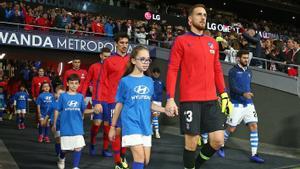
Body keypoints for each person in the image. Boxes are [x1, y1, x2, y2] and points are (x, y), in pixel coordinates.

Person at [165, 4, 233, 169]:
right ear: (190, 20)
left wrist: (223, 94)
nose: (203, 17)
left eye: (204, 15)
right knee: (191, 143)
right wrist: (170, 98)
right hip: (191, 100)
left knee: (217, 141)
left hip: (211, 100)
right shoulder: (181, 41)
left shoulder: (212, 43)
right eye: (199, 14)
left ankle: (195, 165)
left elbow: (217, 69)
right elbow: (173, 70)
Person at [109, 46, 166, 169]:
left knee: (145, 161)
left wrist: (164, 109)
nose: (146, 63)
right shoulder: (125, 81)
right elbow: (119, 105)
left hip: (145, 124)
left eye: (148, 60)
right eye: (142, 59)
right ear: (133, 60)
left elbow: (149, 103)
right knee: (139, 158)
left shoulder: (149, 81)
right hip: (130, 123)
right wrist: (113, 127)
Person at [218, 50, 264, 163]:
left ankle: (254, 154)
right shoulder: (233, 71)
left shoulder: (249, 71)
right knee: (231, 128)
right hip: (236, 104)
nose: (246, 60)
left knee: (254, 126)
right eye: (244, 58)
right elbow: (232, 88)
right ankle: (220, 145)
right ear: (238, 58)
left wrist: (247, 95)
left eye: (247, 58)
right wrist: (243, 93)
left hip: (248, 104)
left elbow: (247, 86)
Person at [98, 32, 130, 169]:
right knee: (116, 131)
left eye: (126, 43)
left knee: (126, 132)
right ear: (116, 44)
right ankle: (117, 162)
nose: (124, 45)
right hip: (113, 101)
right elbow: (101, 81)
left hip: (130, 101)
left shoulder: (132, 60)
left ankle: (122, 157)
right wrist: (99, 101)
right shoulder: (108, 61)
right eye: (122, 43)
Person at [54, 74, 94, 169]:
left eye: (76, 83)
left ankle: (75, 167)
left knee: (78, 147)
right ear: (67, 84)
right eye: (71, 83)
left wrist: (93, 110)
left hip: (77, 126)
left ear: (79, 84)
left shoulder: (80, 97)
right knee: (64, 149)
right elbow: (57, 110)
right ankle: (61, 157)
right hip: (65, 126)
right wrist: (55, 123)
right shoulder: (63, 96)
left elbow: (83, 110)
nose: (74, 85)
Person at [81, 47, 112, 156]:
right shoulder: (94, 67)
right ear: (101, 55)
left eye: (109, 56)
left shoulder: (112, 68)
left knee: (108, 126)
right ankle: (92, 143)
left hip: (109, 100)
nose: (107, 58)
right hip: (97, 99)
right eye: (105, 56)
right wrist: (82, 96)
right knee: (97, 123)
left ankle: (105, 149)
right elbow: (86, 82)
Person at [42, 85, 65, 169]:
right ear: (55, 95)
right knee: (58, 139)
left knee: (63, 141)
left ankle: (61, 154)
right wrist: (45, 120)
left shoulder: (66, 103)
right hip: (55, 124)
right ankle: (59, 155)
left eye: (63, 94)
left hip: (65, 124)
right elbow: (48, 113)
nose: (61, 96)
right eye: (59, 94)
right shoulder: (53, 104)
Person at [151, 67, 165, 139]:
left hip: (159, 101)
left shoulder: (161, 82)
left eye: (157, 73)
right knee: (155, 116)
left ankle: (150, 129)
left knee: (155, 117)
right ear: (152, 73)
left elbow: (167, 90)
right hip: (152, 101)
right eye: (154, 72)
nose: (156, 74)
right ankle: (157, 132)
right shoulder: (150, 81)